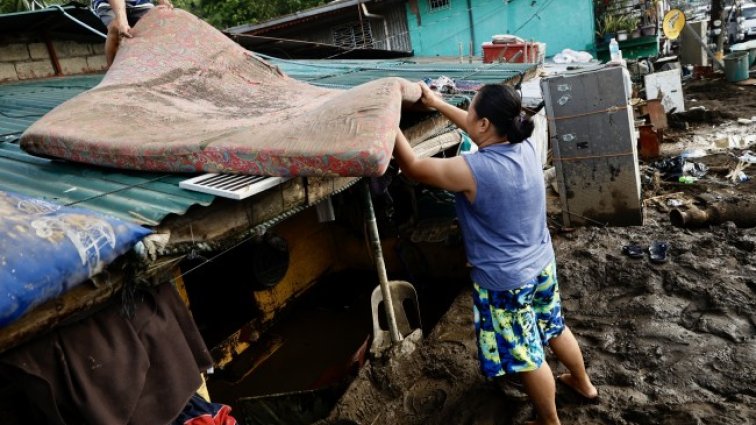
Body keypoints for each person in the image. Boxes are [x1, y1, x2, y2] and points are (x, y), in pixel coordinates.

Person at [392, 82, 597, 425]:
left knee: (526, 354)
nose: (468, 115)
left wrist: (387, 123)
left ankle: (549, 420)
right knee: (554, 327)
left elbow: (412, 166)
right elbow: (476, 125)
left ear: (485, 124)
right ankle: (583, 383)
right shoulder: (526, 146)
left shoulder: (472, 169)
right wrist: (437, 103)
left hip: (506, 281)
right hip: (541, 263)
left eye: (471, 110)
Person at [93, 0, 173, 67]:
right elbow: (120, 21)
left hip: (139, 3)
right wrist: (122, 20)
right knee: (116, 27)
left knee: (158, 24)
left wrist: (164, 2)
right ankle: (112, 75)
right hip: (108, 3)